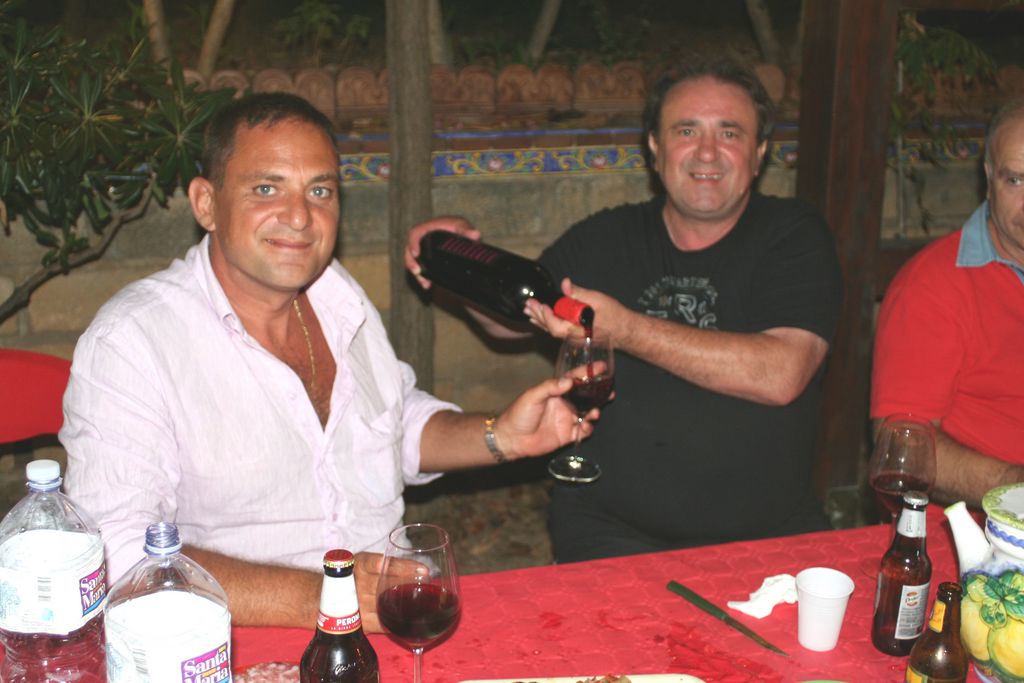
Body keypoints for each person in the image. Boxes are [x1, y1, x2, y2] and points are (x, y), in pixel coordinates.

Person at [59, 93, 594, 630]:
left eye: (320, 191)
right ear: (206, 204)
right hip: (231, 643)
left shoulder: (337, 296)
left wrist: (500, 435)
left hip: (386, 620)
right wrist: (325, 595)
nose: (299, 217)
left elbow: (393, 422)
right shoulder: (133, 341)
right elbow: (117, 555)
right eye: (266, 189)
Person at [406, 56, 844, 562]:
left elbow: (782, 373)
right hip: (609, 529)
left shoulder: (794, 236)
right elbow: (515, 320)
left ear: (760, 151)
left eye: (730, 133)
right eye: (686, 131)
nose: (707, 152)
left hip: (769, 533)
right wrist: (461, 272)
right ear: (655, 147)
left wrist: (626, 329)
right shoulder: (605, 237)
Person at [871, 97, 1024, 508]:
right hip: (979, 530)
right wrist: (1015, 486)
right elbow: (900, 445)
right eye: (1016, 180)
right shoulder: (932, 286)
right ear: (988, 178)